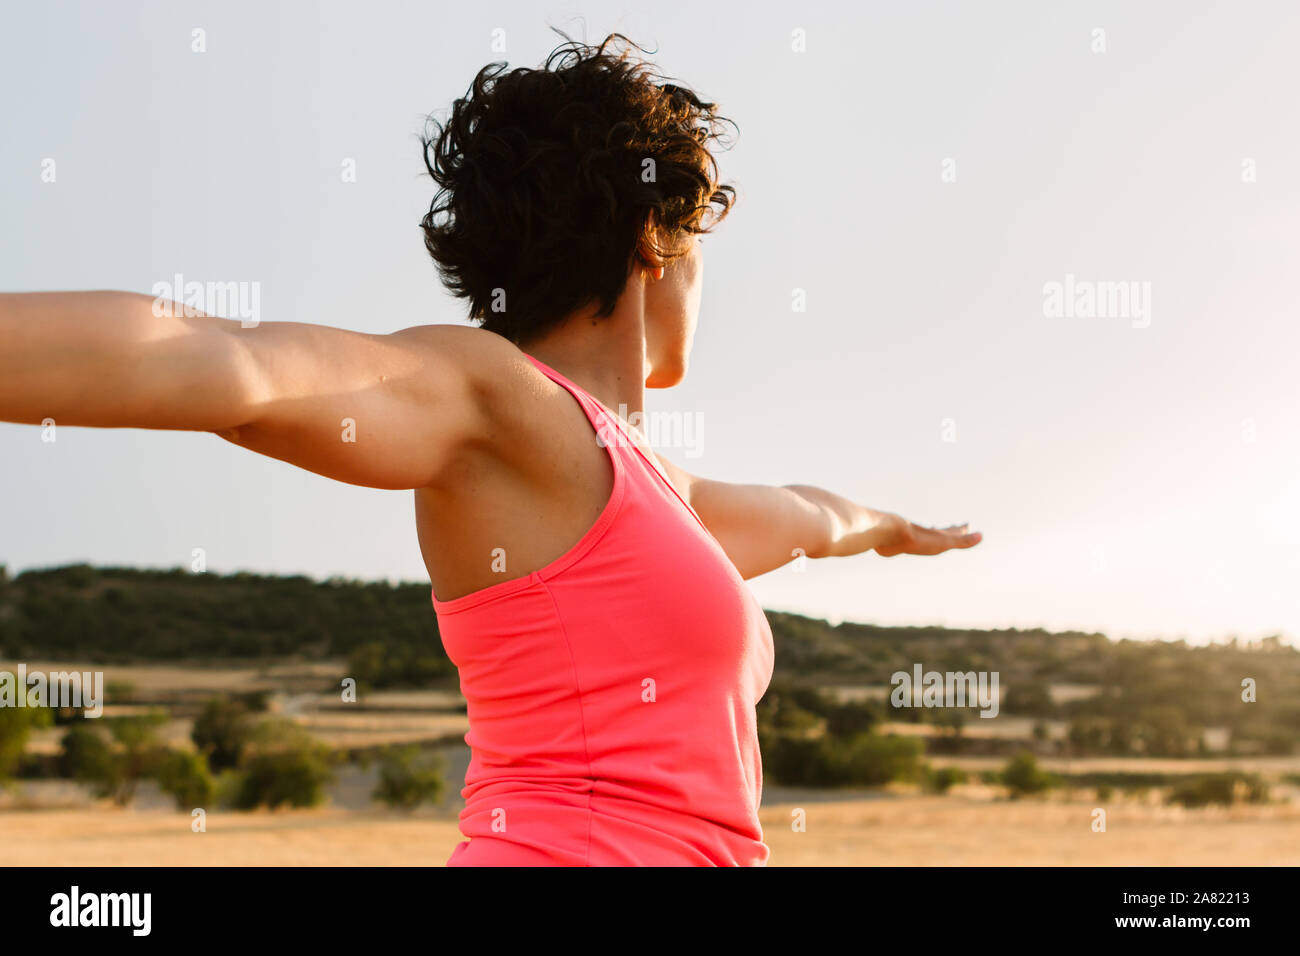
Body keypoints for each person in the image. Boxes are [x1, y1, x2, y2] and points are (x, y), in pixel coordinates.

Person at [0, 34, 981, 865]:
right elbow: (224, 364)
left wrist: (893, 529)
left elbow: (809, 517)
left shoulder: (657, 493)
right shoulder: (501, 401)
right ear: (654, 234)